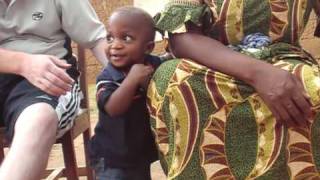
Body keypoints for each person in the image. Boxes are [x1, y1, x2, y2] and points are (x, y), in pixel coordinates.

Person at [147, 0, 320, 179]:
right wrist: (259, 74)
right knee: (175, 80)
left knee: (312, 88)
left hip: (286, 60)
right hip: (214, 59)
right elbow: (181, 36)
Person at [0, 0, 107, 179]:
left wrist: (126, 80)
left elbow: (97, 39)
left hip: (49, 73)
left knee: (39, 119)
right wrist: (23, 63)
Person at [89, 6, 159, 180]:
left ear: (148, 47)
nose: (115, 45)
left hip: (139, 155)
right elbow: (113, 108)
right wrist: (132, 80)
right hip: (111, 158)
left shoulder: (152, 65)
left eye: (126, 38)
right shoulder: (108, 77)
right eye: (110, 37)